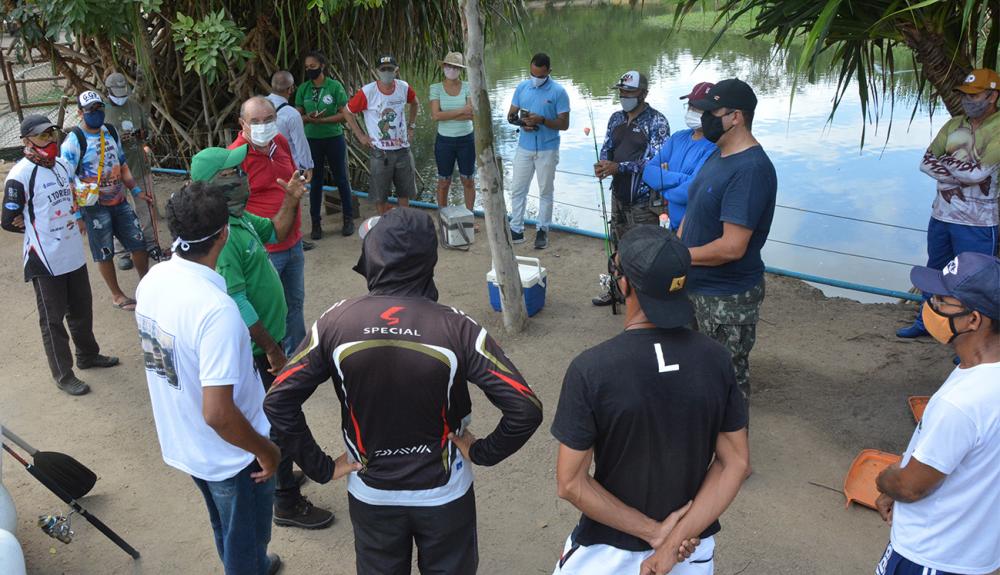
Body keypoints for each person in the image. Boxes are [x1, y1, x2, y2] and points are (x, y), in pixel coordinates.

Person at [264, 208, 543, 575]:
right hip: (444, 491)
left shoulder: (333, 321)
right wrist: (482, 451)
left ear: (373, 256)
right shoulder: (459, 327)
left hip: (371, 492)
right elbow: (526, 408)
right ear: (430, 259)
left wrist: (320, 466)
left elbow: (278, 399)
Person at [551, 226, 750, 575]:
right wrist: (675, 542)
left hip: (605, 552)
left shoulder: (591, 369)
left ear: (625, 284)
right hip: (690, 551)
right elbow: (734, 462)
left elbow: (571, 483)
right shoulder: (717, 359)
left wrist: (654, 533)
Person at [134, 181, 283, 575]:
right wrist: (265, 450)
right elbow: (218, 413)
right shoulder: (217, 310)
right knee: (245, 538)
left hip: (186, 439)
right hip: (232, 453)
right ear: (224, 233)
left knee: (226, 525)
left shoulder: (152, 280)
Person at [190, 145, 334, 530]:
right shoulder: (221, 241)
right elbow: (236, 300)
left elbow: (279, 230)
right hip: (258, 351)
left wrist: (290, 199)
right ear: (212, 186)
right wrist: (272, 348)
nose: (241, 176)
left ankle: (281, 474)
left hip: (270, 342)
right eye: (231, 173)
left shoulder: (237, 219)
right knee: (279, 420)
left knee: (277, 418)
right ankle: (286, 500)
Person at [874, 252, 1000, 575]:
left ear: (973, 320)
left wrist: (887, 481)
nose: (930, 305)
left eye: (942, 300)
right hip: (974, 552)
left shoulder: (961, 402)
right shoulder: (981, 372)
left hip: (930, 555)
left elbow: (911, 487)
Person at [2, 114, 119, 396]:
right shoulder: (20, 175)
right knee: (52, 319)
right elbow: (7, 219)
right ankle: (63, 374)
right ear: (26, 141)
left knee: (81, 308)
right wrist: (33, 227)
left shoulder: (62, 166)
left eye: (51, 134)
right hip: (44, 257)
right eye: (42, 136)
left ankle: (87, 355)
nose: (50, 140)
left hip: (71, 252)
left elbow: (74, 195)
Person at [680, 78, 777, 399]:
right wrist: (673, 245)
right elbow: (693, 212)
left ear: (736, 117)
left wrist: (679, 257)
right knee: (697, 372)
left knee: (727, 382)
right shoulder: (716, 155)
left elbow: (733, 247)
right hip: (696, 287)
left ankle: (730, 448)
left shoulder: (750, 170)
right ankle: (702, 439)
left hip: (726, 299)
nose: (703, 118)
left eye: (711, 112)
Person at [896, 68, 1000, 339]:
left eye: (974, 95)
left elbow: (978, 174)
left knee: (977, 281)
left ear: (992, 96)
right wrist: (960, 169)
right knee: (935, 271)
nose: (968, 100)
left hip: (978, 223)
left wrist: (947, 165)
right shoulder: (953, 124)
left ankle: (973, 338)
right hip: (942, 216)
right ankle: (927, 323)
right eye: (965, 94)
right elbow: (925, 161)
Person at [61, 90, 152, 311]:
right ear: (80, 112)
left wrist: (137, 191)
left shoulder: (110, 131)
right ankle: (117, 295)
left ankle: (147, 287)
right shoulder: (74, 141)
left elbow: (122, 164)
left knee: (138, 242)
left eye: (99, 107)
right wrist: (77, 215)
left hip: (119, 201)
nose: (96, 112)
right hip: (93, 207)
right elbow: (67, 179)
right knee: (104, 251)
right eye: (91, 109)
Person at [230, 96, 307, 355]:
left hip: (293, 241)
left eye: (268, 119)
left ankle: (297, 358)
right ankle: (272, 359)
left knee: (295, 303)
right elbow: (231, 206)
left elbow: (293, 180)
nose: (263, 126)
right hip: (263, 249)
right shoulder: (235, 157)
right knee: (268, 308)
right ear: (242, 124)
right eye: (255, 121)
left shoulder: (280, 142)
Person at [591, 70, 670, 306]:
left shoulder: (657, 122)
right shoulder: (615, 118)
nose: (624, 95)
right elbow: (607, 147)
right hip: (618, 196)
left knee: (645, 251)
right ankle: (618, 291)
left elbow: (656, 162)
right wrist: (603, 164)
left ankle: (647, 302)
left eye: (629, 91)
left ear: (643, 93)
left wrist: (619, 167)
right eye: (621, 91)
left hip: (645, 201)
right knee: (619, 246)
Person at [506, 52, 570, 249]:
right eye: (533, 74)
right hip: (524, 147)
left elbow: (564, 124)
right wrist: (521, 123)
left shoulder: (558, 92)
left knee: (545, 190)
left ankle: (542, 229)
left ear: (548, 72)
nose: (536, 79)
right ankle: (516, 229)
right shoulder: (522, 87)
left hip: (547, 149)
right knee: (517, 189)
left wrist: (541, 120)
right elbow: (510, 116)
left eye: (540, 76)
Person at [344, 54, 420, 216]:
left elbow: (415, 103)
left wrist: (411, 126)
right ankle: (383, 222)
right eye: (383, 69)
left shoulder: (403, 87)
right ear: (377, 71)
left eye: (390, 69)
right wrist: (360, 135)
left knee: (405, 192)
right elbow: (348, 111)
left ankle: (404, 222)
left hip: (403, 150)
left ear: (396, 70)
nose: (386, 72)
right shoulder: (367, 92)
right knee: (380, 194)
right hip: (380, 152)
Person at [104, 72, 164, 270]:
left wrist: (139, 135)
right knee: (119, 208)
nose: (121, 96)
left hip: (138, 164)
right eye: (117, 92)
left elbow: (146, 131)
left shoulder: (135, 106)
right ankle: (122, 250)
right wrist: (119, 138)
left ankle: (151, 244)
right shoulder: (102, 111)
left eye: (123, 92)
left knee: (145, 205)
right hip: (113, 169)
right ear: (108, 91)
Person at [642, 81, 717, 232]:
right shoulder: (678, 138)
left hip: (696, 229)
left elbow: (690, 192)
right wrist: (683, 178)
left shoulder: (714, 146)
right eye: (690, 105)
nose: (691, 110)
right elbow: (648, 172)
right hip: (672, 226)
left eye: (698, 108)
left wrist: (663, 186)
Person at [295, 52, 355, 238]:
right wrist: (308, 118)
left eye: (313, 66)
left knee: (342, 178)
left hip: (333, 138)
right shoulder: (303, 89)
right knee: (316, 180)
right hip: (311, 140)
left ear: (322, 65)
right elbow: (296, 116)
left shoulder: (334, 86)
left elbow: (344, 113)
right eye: (307, 67)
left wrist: (325, 120)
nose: (309, 70)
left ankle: (348, 219)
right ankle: (316, 224)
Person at [429, 51, 476, 212]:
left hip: (467, 141)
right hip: (444, 142)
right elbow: (435, 115)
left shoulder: (469, 86)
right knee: (443, 181)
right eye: (449, 66)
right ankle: (443, 215)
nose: (451, 69)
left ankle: (469, 216)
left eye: (455, 67)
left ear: (460, 69)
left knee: (468, 180)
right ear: (443, 67)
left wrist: (447, 115)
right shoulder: (435, 88)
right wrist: (462, 110)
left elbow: (472, 115)